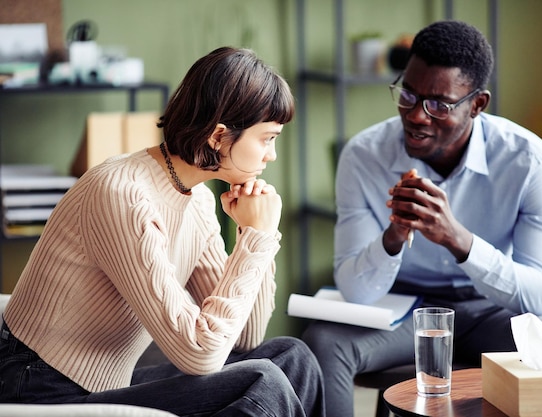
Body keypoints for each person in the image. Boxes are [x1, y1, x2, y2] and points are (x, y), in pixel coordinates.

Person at [0, 47, 325, 417]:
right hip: (42, 386)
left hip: (108, 380)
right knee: (261, 381)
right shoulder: (122, 193)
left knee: (291, 357)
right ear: (219, 136)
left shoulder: (197, 200)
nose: (272, 155)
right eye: (267, 138)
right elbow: (199, 354)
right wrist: (257, 239)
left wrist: (255, 234)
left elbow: (245, 338)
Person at [301, 20, 542, 416]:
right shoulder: (363, 157)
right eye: (408, 94)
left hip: (491, 308)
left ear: (477, 105)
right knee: (323, 345)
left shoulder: (528, 161)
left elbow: (539, 297)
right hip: (402, 308)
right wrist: (393, 236)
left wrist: (458, 239)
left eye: (439, 105)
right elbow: (356, 290)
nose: (416, 115)